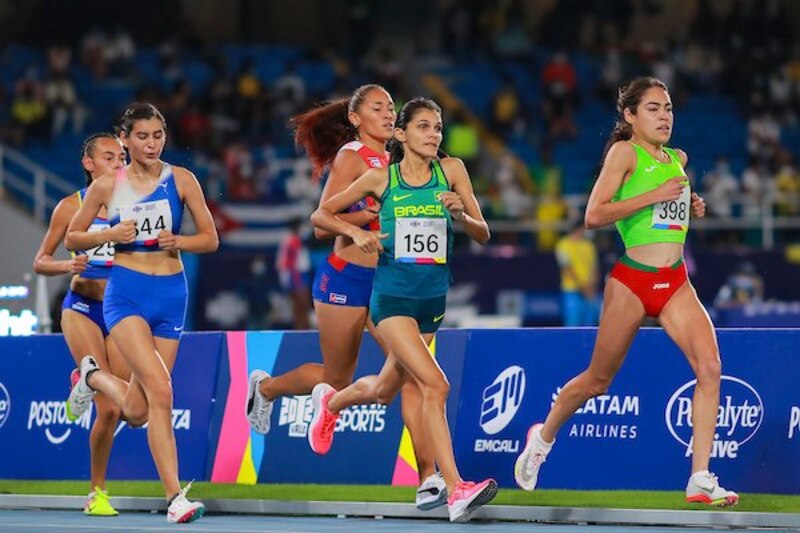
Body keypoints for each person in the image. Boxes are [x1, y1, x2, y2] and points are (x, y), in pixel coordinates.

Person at [514, 77, 739, 507]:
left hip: (675, 282)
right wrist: (655, 195)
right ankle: (542, 438)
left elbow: (666, 212)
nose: (665, 116)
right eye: (653, 108)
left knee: (710, 367)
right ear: (630, 116)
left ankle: (700, 477)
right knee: (597, 381)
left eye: (669, 107)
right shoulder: (623, 153)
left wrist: (690, 203)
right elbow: (593, 215)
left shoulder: (678, 158)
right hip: (632, 280)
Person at [245, 85, 445, 510]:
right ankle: (266, 388)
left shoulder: (402, 159)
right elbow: (321, 225)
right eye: (378, 108)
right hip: (347, 279)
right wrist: (368, 217)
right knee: (335, 376)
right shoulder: (351, 156)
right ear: (356, 118)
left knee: (412, 375)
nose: (389, 114)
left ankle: (428, 477)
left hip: (390, 283)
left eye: (392, 108)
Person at [307, 97, 497, 523]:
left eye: (438, 128)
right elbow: (321, 214)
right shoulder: (380, 178)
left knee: (383, 389)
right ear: (402, 135)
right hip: (391, 302)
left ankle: (334, 404)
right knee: (435, 385)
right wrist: (354, 235)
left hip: (432, 302)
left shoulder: (453, 172)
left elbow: (484, 232)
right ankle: (454, 488)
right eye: (425, 127)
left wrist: (462, 214)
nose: (435, 135)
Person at [64, 103, 219, 523]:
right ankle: (175, 498)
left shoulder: (182, 180)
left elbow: (210, 238)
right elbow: (73, 238)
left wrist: (179, 242)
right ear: (125, 139)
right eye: (142, 136)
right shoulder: (107, 186)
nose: (151, 144)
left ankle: (91, 377)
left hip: (171, 294)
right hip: (127, 295)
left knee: (136, 410)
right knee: (162, 392)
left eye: (158, 136)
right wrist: (112, 234)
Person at [32, 133, 129, 516]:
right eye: (109, 157)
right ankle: (97, 493)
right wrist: (66, 265)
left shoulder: (136, 206)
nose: (119, 163)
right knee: (106, 408)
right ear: (89, 163)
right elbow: (41, 260)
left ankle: (85, 378)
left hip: (121, 312)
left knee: (118, 410)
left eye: (121, 157)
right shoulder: (69, 207)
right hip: (82, 306)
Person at [555, 219, 600, 326]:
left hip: (589, 290)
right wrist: (583, 287)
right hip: (572, 289)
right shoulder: (562, 245)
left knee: (590, 323)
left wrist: (592, 286)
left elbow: (594, 267)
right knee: (573, 322)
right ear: (578, 229)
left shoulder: (589, 245)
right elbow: (566, 269)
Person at [275, 218, 312, 330]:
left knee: (299, 307)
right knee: (302, 306)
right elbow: (289, 262)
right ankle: (303, 330)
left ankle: (302, 329)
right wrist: (296, 281)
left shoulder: (290, 240)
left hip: (295, 274)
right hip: (297, 275)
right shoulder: (293, 241)